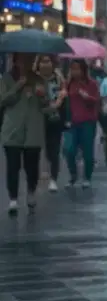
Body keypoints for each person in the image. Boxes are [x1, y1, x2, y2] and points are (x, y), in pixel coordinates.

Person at [0, 53, 49, 215]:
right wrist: (18, 86)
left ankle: (31, 192)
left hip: (33, 130)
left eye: (29, 60)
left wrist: (42, 96)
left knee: (31, 166)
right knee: (13, 166)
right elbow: (3, 101)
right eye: (23, 60)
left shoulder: (39, 80)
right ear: (16, 61)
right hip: (12, 130)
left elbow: (45, 104)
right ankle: (13, 198)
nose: (26, 63)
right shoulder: (6, 79)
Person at [63, 58, 99, 188]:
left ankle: (87, 177)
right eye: (72, 69)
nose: (75, 72)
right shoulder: (68, 84)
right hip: (71, 123)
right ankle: (73, 175)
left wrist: (86, 97)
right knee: (69, 150)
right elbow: (65, 103)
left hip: (87, 122)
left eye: (77, 69)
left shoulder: (92, 84)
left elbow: (96, 101)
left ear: (83, 70)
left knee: (87, 152)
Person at [36, 54, 66, 193]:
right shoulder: (33, 79)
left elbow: (64, 94)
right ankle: (37, 175)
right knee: (36, 150)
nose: (45, 65)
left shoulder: (59, 78)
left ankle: (53, 179)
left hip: (55, 119)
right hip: (36, 119)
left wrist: (62, 97)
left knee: (54, 150)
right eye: (43, 62)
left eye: (48, 61)